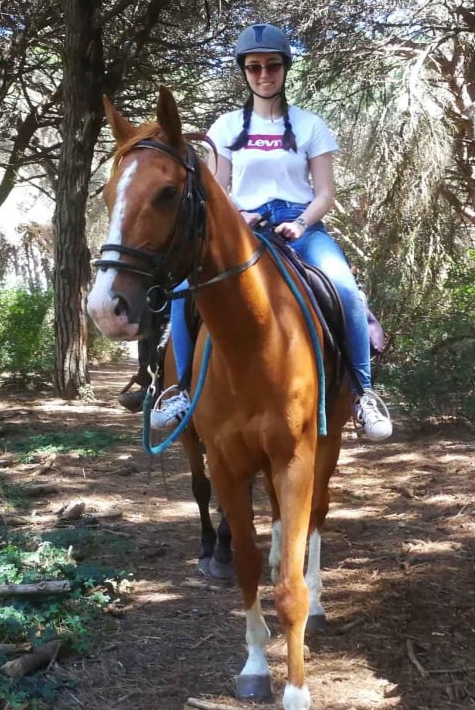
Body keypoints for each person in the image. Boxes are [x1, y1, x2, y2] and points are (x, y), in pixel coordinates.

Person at [149, 23, 393, 441]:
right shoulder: (226, 127)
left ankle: (362, 393)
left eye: (273, 66)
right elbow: (217, 189)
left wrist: (300, 223)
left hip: (301, 223)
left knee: (346, 289)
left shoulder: (311, 125)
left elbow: (325, 193)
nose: (264, 74)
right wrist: (237, 216)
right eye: (255, 67)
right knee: (185, 289)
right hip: (241, 224)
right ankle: (179, 389)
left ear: (285, 69)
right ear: (244, 72)